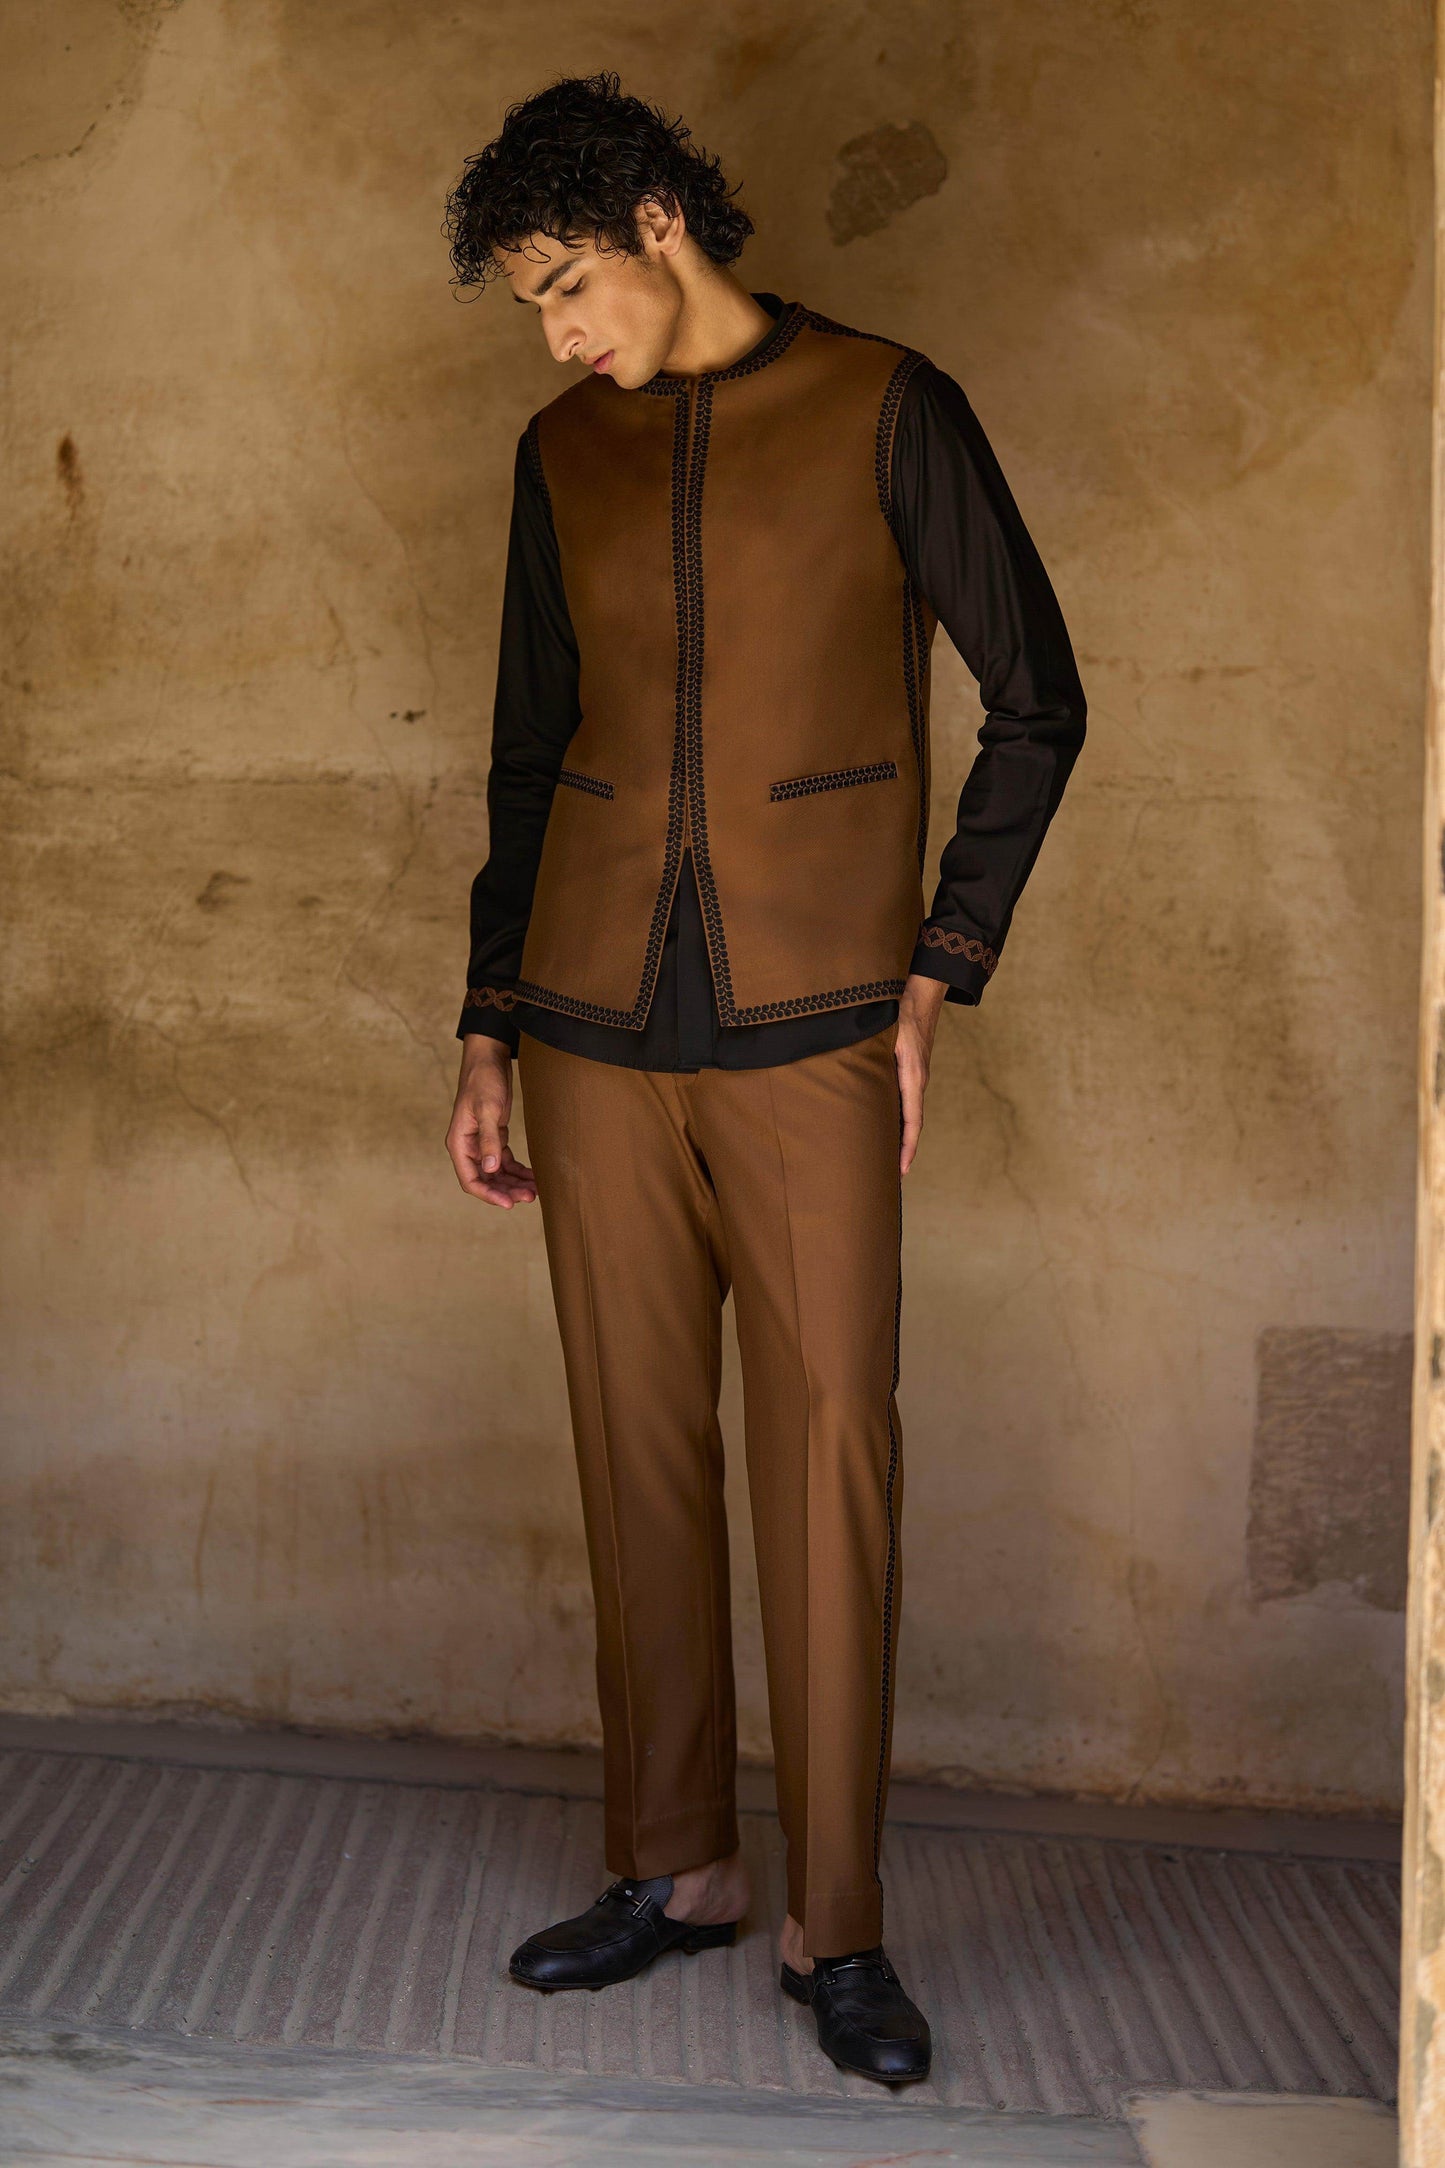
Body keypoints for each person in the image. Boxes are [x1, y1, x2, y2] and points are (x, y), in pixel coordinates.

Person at [442, 72, 1085, 2087]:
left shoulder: (888, 407)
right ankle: (678, 1866)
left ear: (656, 219)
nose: (556, 334)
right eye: (532, 307)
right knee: (635, 1450)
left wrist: (940, 970)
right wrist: (485, 1021)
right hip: (588, 1023)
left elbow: (1040, 702)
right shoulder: (559, 455)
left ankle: (837, 1922)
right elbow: (528, 751)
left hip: (817, 1020)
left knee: (829, 1460)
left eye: (565, 284)